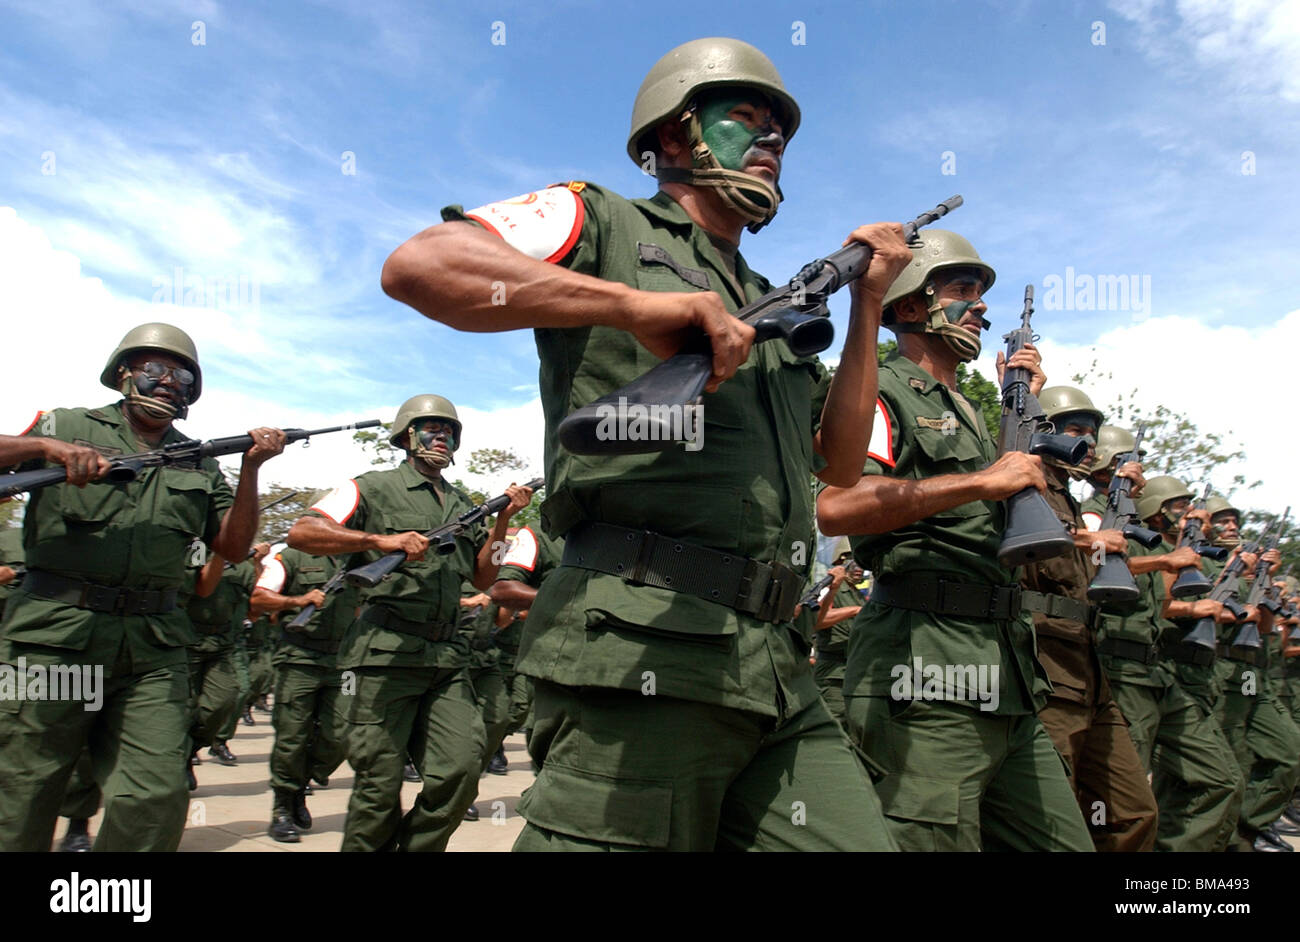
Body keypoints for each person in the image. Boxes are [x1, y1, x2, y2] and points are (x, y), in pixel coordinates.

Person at [381, 36, 908, 851]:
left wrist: (868, 306)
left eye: (781, 130)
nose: (772, 140)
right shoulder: (600, 217)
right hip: (639, 647)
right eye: (746, 119)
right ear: (672, 137)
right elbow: (423, 265)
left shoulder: (770, 303)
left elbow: (835, 466)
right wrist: (632, 306)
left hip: (774, 661)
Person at [817, 230, 1094, 851]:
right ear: (912, 305)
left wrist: (1019, 413)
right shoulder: (879, 389)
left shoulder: (970, 409)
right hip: (925, 669)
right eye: (964, 290)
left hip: (1009, 668)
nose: (982, 307)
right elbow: (836, 507)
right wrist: (981, 480)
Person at [0, 322, 285, 851]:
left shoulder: (198, 459)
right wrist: (46, 447)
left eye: (182, 375)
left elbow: (232, 545)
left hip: (151, 646)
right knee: (25, 784)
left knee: (157, 793)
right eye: (155, 369)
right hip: (55, 638)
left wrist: (251, 470)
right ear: (124, 373)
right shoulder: (62, 422)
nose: (169, 381)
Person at [287, 394, 530, 851]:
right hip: (383, 655)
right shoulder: (372, 486)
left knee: (459, 772)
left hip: (445, 658)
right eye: (431, 428)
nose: (442, 436)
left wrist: (503, 522)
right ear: (406, 436)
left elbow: (485, 575)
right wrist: (377, 539)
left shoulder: (462, 503)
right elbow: (303, 531)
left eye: (449, 430)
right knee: (378, 789)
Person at [1020, 386, 1158, 851]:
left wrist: (1121, 512)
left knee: (1131, 811)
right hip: (1046, 669)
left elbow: (1097, 579)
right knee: (1050, 817)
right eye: (1076, 431)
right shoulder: (1025, 483)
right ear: (1045, 432)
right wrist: (1083, 536)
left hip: (1089, 670)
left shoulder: (1071, 500)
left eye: (1092, 434)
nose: (1088, 444)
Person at [251, 541, 354, 843]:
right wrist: (298, 601)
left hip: (343, 663)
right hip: (299, 658)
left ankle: (302, 780)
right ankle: (283, 806)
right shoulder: (291, 557)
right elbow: (258, 599)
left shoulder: (358, 558)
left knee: (343, 733)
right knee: (291, 735)